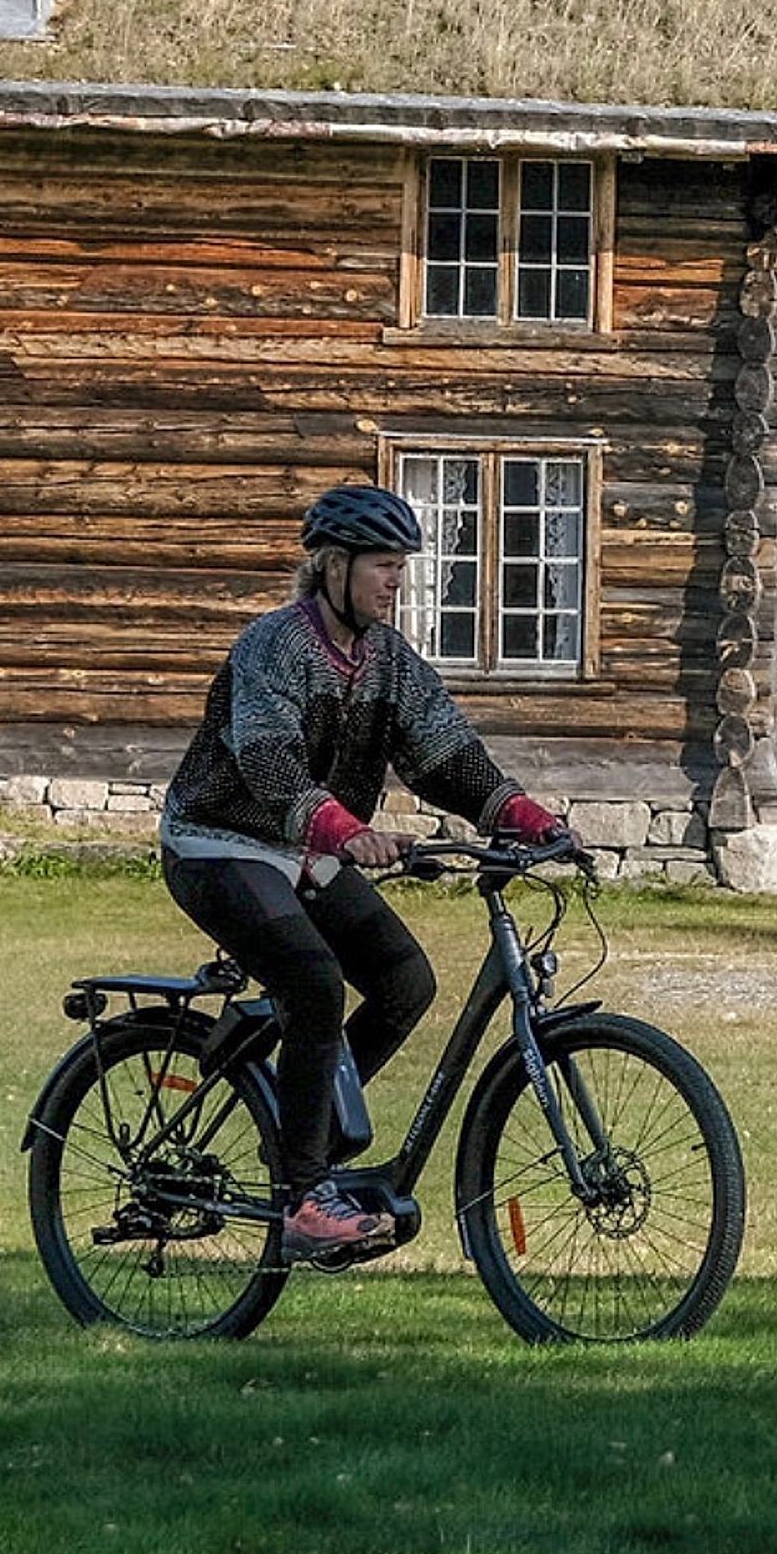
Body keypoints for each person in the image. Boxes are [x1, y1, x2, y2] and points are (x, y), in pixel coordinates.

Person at [158, 482, 571, 1255]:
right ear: (334, 567)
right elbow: (269, 762)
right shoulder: (274, 644)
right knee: (312, 980)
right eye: (383, 565)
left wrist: (528, 818)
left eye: (401, 567)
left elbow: (449, 756)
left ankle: (299, 1131)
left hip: (306, 851)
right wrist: (345, 830)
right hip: (217, 841)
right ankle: (304, 1200)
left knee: (405, 979)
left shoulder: (386, 660)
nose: (396, 581)